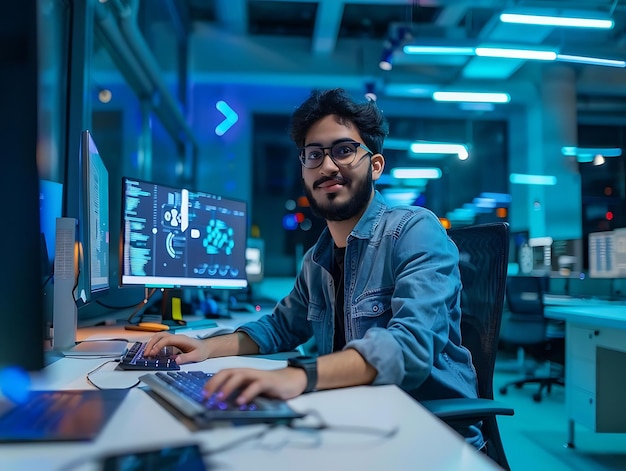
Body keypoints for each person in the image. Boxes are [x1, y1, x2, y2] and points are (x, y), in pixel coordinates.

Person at [144, 88, 483, 448]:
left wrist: (299, 376)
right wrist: (206, 348)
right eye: (314, 155)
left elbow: (409, 347)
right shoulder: (318, 259)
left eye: (344, 150)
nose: (327, 166)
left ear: (376, 165)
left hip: (427, 434)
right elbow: (279, 328)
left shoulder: (414, 231)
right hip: (355, 420)